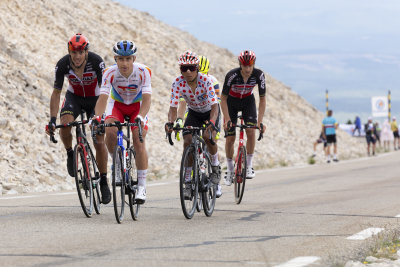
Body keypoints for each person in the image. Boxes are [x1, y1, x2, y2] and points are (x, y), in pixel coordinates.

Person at [45, 33, 110, 204]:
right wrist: (52, 119)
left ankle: (103, 180)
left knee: (98, 139)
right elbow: (57, 93)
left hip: (95, 98)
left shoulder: (96, 61)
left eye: (81, 52)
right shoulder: (62, 64)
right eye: (74, 52)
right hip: (74, 97)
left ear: (86, 52)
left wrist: (100, 116)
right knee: (65, 124)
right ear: (69, 52)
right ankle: (70, 153)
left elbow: (105, 90)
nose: (77, 56)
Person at [92, 40, 152, 204]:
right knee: (109, 131)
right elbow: (103, 97)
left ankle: (141, 186)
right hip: (117, 105)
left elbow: (147, 99)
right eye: (120, 59)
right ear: (115, 59)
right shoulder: (109, 72)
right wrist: (97, 117)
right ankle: (117, 163)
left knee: (138, 139)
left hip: (137, 107)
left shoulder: (143, 71)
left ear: (133, 59)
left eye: (127, 59)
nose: (124, 63)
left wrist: (140, 116)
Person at [165, 50, 221, 199]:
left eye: (191, 68)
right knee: (188, 141)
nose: (188, 71)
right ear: (180, 70)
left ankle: (215, 168)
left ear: (197, 68)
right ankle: (188, 182)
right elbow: (173, 107)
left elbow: (215, 106)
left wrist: (213, 122)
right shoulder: (177, 82)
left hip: (210, 112)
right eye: (184, 68)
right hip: (195, 113)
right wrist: (171, 122)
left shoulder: (206, 80)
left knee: (208, 137)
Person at [220, 50, 266, 185]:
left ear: (253, 64)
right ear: (240, 64)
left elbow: (262, 99)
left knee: (251, 132)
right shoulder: (231, 75)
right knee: (230, 137)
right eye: (245, 65)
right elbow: (223, 99)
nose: (247, 69)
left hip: (248, 101)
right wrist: (227, 119)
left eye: (250, 65)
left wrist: (260, 121)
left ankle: (249, 165)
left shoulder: (259, 75)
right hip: (231, 102)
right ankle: (229, 169)